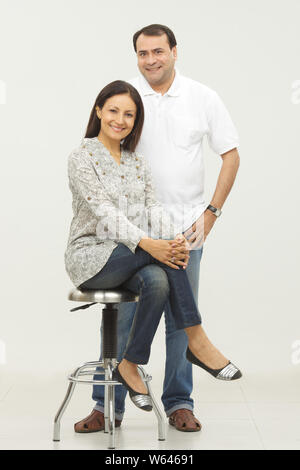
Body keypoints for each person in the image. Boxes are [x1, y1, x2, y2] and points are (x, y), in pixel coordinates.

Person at [75, 24, 241, 434]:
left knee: (174, 316)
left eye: (158, 51)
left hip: (184, 226)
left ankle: (180, 402)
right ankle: (106, 402)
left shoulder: (203, 97)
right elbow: (105, 180)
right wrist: (152, 241)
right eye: (143, 53)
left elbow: (231, 154)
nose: (151, 59)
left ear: (174, 52)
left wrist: (209, 214)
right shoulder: (126, 97)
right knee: (124, 317)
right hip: (127, 235)